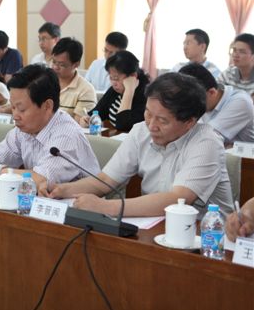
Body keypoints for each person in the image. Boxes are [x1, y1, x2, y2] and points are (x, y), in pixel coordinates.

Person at [50, 72, 234, 218]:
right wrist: (61, 189)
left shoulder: (207, 142)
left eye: (162, 120)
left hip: (206, 237)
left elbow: (177, 199)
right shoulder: (141, 131)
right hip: (153, 226)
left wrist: (105, 207)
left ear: (189, 122)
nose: (151, 125)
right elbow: (106, 180)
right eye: (148, 114)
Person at [0, 65, 100, 195]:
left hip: (79, 208)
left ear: (47, 106)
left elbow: (42, 179)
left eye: (21, 109)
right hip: (40, 201)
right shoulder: (24, 129)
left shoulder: (66, 134)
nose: (15, 115)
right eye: (12, 107)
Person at [179, 63, 254, 144]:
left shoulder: (241, 102)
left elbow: (206, 139)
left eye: (192, 100)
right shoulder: (203, 99)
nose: (189, 105)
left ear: (212, 92)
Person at [79, 50, 148, 132]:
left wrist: (129, 91)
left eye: (116, 78)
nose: (113, 83)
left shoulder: (146, 96)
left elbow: (123, 126)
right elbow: (97, 112)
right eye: (111, 78)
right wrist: (86, 119)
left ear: (133, 76)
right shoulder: (115, 90)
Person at [50, 37, 96, 119]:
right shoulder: (45, 82)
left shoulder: (85, 90)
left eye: (61, 64)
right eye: (54, 62)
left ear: (76, 64)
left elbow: (77, 124)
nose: (55, 67)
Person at [219, 33, 254, 98]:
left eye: (242, 52)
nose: (235, 55)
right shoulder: (228, 73)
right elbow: (215, 95)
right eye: (234, 50)